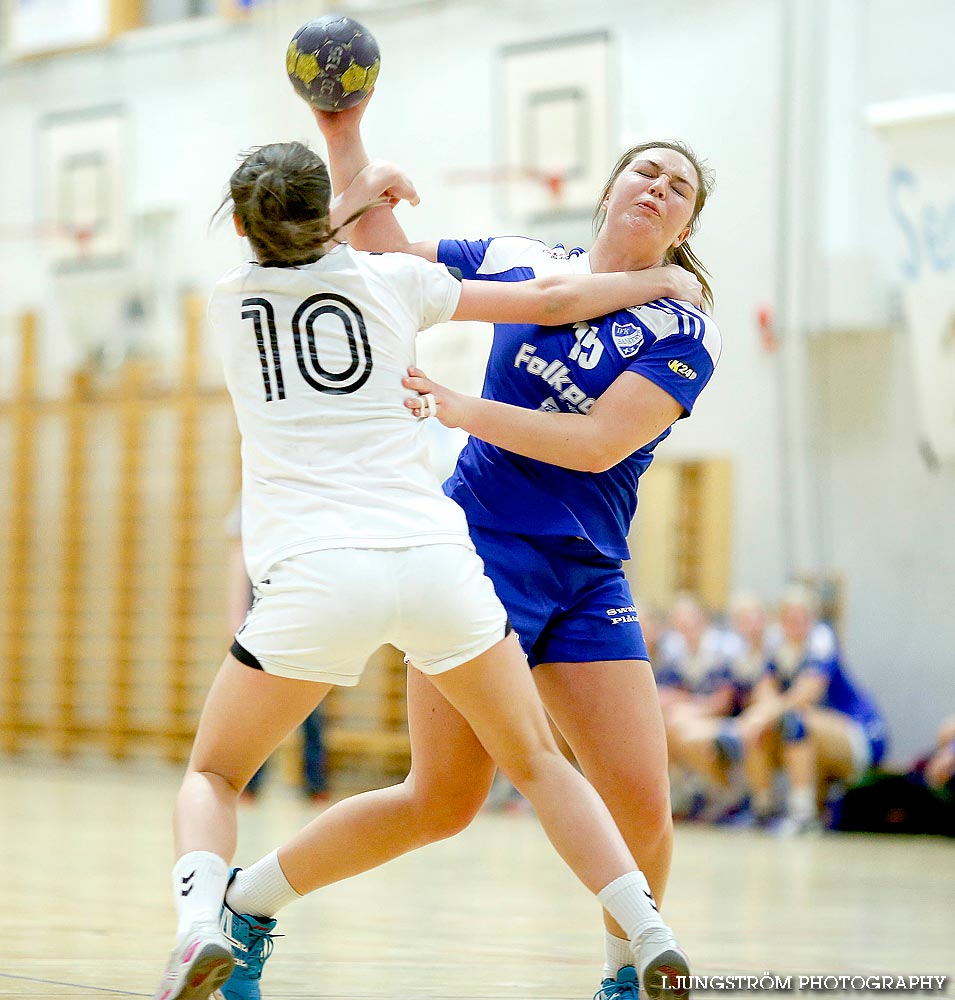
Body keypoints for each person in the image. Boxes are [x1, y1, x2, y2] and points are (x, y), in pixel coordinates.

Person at [153, 141, 696, 1000]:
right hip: (478, 548)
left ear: (687, 221)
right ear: (609, 188)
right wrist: (348, 132)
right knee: (442, 801)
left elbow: (597, 447)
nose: (658, 189)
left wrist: (458, 406)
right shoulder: (526, 260)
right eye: (646, 172)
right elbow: (384, 249)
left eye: (679, 187)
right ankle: (250, 903)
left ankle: (626, 978)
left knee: (644, 804)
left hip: (588, 569)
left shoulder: (681, 327)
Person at [720, 583, 889, 834]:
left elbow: (807, 693)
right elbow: (763, 691)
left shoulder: (822, 641)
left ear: (812, 619)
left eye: (801, 618)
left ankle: (803, 814)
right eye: (788, 618)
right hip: (814, 736)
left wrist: (762, 714)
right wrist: (757, 717)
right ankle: (762, 808)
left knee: (793, 720)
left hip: (858, 732)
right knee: (758, 729)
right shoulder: (778, 648)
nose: (794, 624)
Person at [225, 498, 328, 804]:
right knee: (254, 703)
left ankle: (314, 782)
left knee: (311, 705)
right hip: (264, 609)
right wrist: (235, 619)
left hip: (303, 606)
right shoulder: (252, 496)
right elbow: (237, 563)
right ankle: (249, 782)